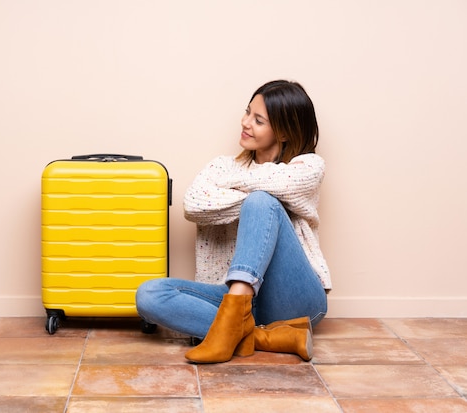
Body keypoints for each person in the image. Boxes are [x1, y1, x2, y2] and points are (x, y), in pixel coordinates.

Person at [136, 80, 331, 364]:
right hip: (232, 299)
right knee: (149, 294)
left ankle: (237, 324)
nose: (245, 122)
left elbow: (273, 189)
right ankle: (264, 335)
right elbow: (194, 204)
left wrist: (238, 190)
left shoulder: (309, 166)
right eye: (247, 112)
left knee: (262, 201)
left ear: (285, 132)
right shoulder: (221, 165)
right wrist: (257, 190)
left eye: (258, 119)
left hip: (295, 300)